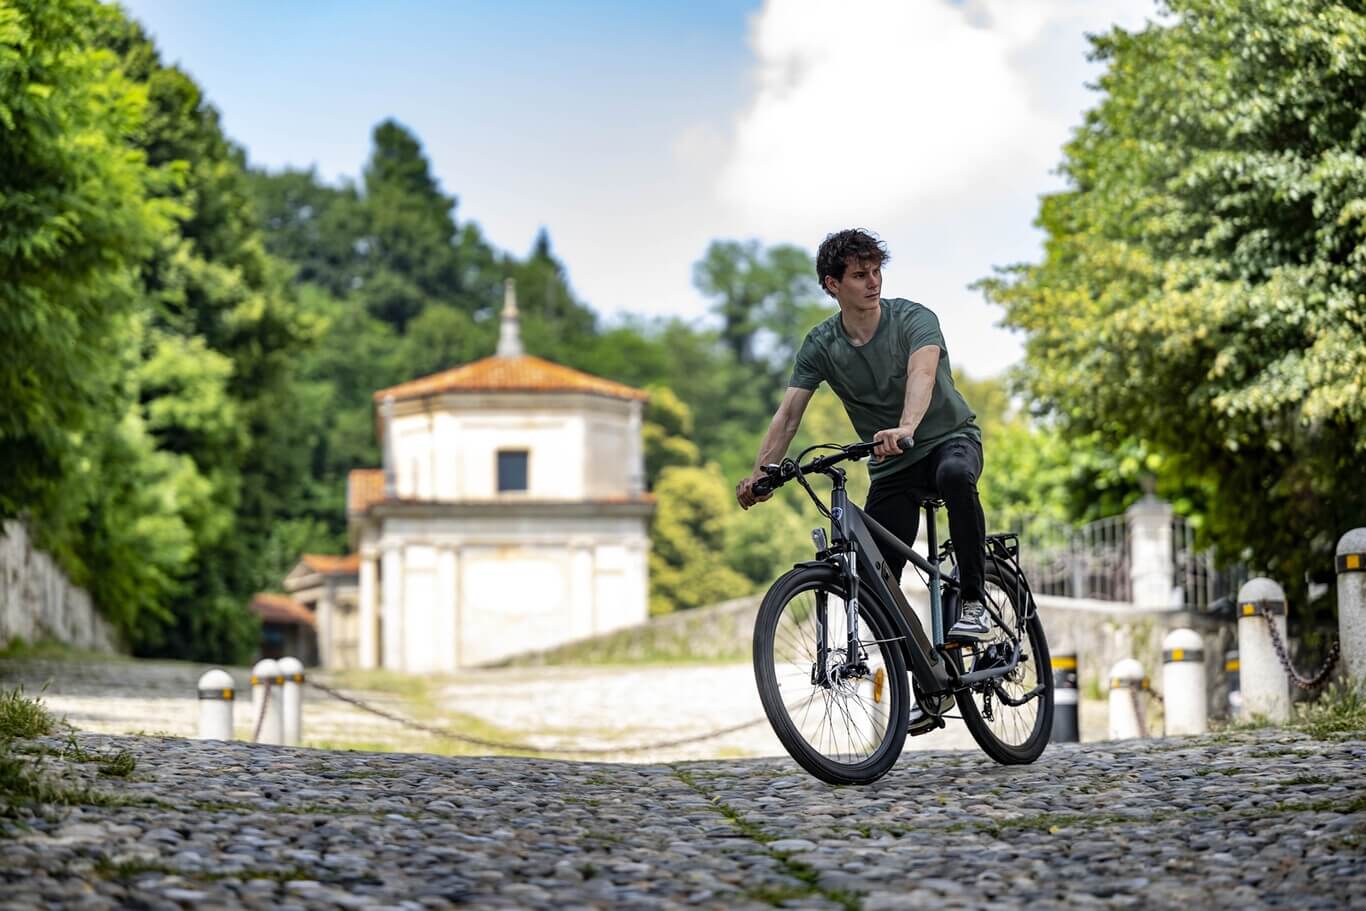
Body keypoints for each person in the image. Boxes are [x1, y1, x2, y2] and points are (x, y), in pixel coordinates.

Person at [735, 228, 991, 648]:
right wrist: (762, 474)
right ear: (832, 284)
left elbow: (922, 374)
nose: (873, 282)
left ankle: (975, 601)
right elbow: (788, 416)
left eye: (876, 272)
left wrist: (907, 427)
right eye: (859, 275)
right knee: (878, 579)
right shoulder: (821, 344)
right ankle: (924, 681)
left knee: (955, 475)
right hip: (893, 463)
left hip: (949, 438)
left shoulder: (914, 318)